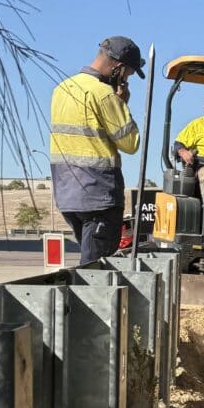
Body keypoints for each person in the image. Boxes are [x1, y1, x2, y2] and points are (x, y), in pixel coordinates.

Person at [50, 36, 143, 264]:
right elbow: (130, 143)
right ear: (118, 68)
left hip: (68, 193)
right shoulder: (103, 95)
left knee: (89, 261)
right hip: (98, 195)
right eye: (128, 74)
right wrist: (121, 104)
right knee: (96, 271)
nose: (126, 80)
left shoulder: (61, 89)